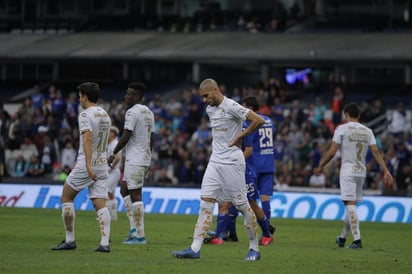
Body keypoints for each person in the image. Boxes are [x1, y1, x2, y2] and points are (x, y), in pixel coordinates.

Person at [172, 78, 265, 261]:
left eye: (206, 96)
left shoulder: (232, 106)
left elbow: (258, 120)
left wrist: (241, 135)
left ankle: (254, 248)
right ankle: (194, 248)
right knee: (205, 203)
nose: (204, 100)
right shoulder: (210, 109)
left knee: (242, 206)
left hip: (232, 162)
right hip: (215, 161)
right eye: (202, 97)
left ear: (215, 90)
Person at [315, 102, 393, 249]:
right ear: (359, 115)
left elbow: (332, 152)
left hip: (348, 171)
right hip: (361, 172)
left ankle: (357, 240)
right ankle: (342, 238)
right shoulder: (368, 131)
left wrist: (321, 165)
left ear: (347, 115)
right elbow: (376, 152)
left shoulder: (342, 129)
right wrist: (386, 171)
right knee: (352, 205)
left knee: (350, 204)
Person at [51, 82, 112, 253]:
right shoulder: (104, 114)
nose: (79, 99)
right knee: (100, 202)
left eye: (79, 96)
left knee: (66, 197)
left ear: (84, 96)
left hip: (89, 163)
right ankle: (104, 243)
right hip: (102, 163)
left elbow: (87, 139)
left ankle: (70, 240)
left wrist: (85, 164)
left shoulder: (85, 115)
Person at [108, 82, 155, 245]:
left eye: (128, 94)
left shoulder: (132, 112)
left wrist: (113, 154)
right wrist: (148, 158)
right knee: (124, 189)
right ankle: (133, 229)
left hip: (136, 158)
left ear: (136, 97)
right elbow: (152, 138)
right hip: (140, 157)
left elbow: (125, 136)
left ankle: (140, 236)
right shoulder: (149, 112)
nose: (125, 96)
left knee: (135, 194)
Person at [106, 126, 122, 221]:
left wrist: (110, 167)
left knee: (105, 191)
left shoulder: (115, 143)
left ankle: (107, 214)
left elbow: (118, 157)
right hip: (112, 171)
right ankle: (113, 215)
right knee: (111, 193)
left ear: (113, 134)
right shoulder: (109, 144)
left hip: (113, 171)